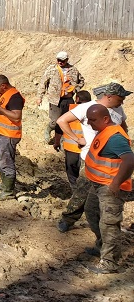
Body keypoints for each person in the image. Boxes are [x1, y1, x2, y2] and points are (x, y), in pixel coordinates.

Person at [55, 82, 130, 233]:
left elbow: (123, 126)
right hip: (91, 160)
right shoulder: (86, 107)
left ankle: (102, 230)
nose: (123, 100)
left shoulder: (118, 109)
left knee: (102, 198)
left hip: (110, 163)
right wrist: (77, 139)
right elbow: (61, 120)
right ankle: (68, 219)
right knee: (82, 193)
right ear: (109, 96)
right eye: (120, 98)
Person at [81, 104, 134, 274]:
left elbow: (129, 160)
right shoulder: (104, 131)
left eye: (92, 119)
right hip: (98, 184)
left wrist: (116, 184)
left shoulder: (115, 138)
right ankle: (101, 246)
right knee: (91, 212)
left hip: (110, 188)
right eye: (88, 119)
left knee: (109, 224)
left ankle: (110, 262)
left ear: (105, 119)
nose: (89, 123)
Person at [0, 75, 25, 200]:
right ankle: (5, 185)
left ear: (3, 85)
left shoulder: (15, 97)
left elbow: (16, 117)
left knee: (6, 162)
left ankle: (8, 191)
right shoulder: (6, 94)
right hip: (1, 133)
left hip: (9, 136)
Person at [36, 51, 85, 144]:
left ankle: (61, 139)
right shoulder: (51, 69)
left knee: (67, 120)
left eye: (62, 60)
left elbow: (82, 81)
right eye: (58, 60)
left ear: (67, 60)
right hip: (55, 100)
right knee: (56, 121)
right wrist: (39, 97)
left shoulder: (73, 70)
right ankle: (49, 129)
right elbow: (43, 83)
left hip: (68, 99)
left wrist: (75, 89)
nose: (60, 62)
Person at [52, 90, 92, 188]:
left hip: (72, 148)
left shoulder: (69, 109)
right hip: (88, 148)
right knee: (86, 174)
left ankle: (75, 192)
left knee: (72, 174)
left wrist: (56, 142)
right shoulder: (94, 110)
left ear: (77, 99)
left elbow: (59, 128)